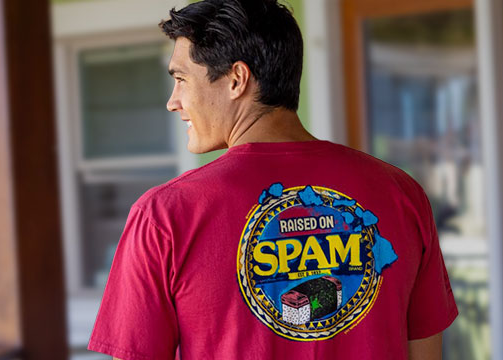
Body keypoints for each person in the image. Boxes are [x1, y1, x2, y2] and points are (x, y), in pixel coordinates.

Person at [85, 0, 457, 358]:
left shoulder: (164, 216)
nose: (173, 101)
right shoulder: (400, 193)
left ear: (236, 80)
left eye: (181, 79)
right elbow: (425, 352)